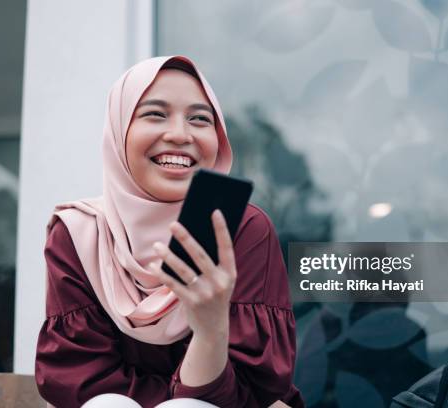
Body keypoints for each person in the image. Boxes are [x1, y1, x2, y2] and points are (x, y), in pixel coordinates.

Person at [34, 56, 305, 408]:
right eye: (155, 114)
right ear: (118, 132)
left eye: (199, 119)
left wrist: (210, 330)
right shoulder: (79, 234)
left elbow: (255, 392)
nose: (180, 134)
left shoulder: (241, 230)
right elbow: (80, 381)